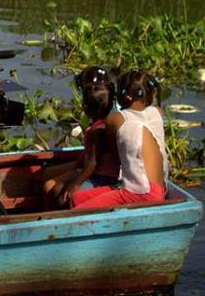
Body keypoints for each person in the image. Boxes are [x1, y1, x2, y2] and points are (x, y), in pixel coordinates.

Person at [72, 69, 168, 209]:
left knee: (77, 205)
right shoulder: (157, 113)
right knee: (79, 198)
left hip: (139, 192)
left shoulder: (114, 119)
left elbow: (118, 158)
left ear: (127, 96)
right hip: (161, 189)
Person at [41, 66, 120, 209]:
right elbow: (89, 156)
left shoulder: (99, 129)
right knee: (46, 176)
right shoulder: (102, 119)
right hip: (92, 168)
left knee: (50, 186)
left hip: (100, 174)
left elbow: (92, 163)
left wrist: (76, 182)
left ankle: (48, 217)